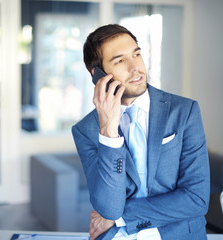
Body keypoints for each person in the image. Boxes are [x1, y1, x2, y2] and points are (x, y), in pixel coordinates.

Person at [71, 24, 210, 240]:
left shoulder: (184, 111)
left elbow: (196, 199)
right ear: (98, 75)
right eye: (119, 60)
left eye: (136, 54)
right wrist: (108, 132)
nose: (135, 67)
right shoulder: (86, 130)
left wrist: (122, 218)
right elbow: (109, 208)